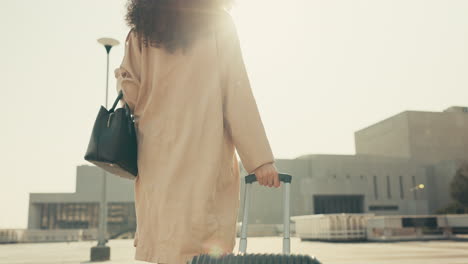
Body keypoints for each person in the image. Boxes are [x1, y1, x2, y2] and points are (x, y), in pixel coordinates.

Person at [114, 0, 279, 263]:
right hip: (204, 151)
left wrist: (124, 76)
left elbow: (130, 94)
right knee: (203, 247)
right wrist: (259, 160)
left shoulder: (141, 31)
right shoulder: (216, 22)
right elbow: (236, 90)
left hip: (156, 157)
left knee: (167, 243)